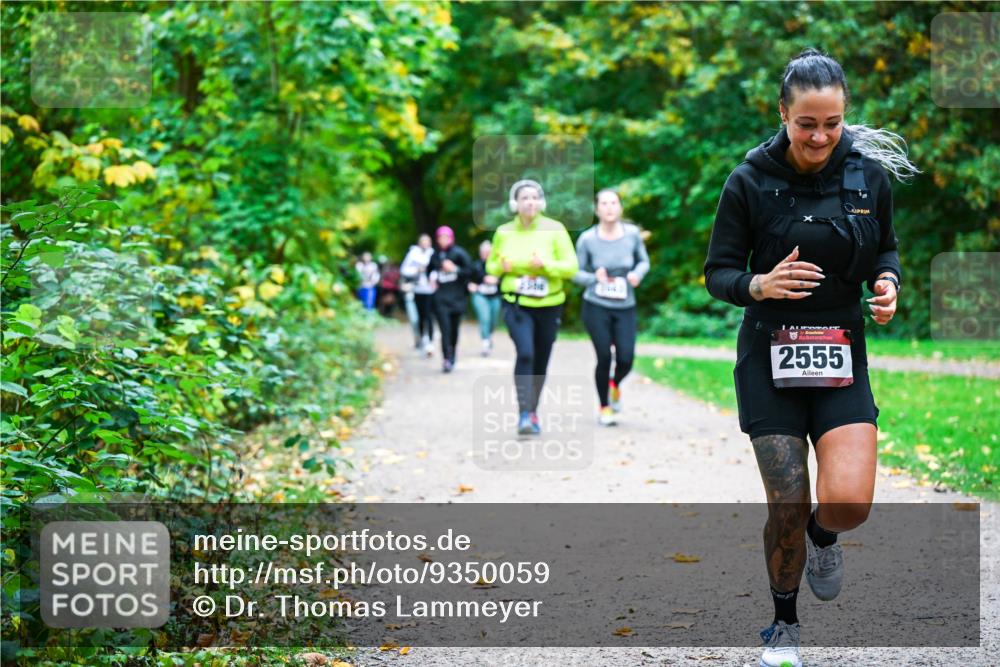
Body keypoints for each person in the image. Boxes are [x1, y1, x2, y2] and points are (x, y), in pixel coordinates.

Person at [703, 48, 914, 667]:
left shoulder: (867, 175)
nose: (820, 136)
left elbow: (888, 250)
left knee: (848, 503)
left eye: (832, 123)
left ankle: (826, 537)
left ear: (845, 115)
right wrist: (757, 285)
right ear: (783, 115)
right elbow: (717, 272)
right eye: (806, 123)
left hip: (841, 350)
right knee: (788, 501)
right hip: (770, 354)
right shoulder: (748, 181)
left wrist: (888, 286)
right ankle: (784, 627)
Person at [485, 179, 578, 436]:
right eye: (525, 198)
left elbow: (571, 267)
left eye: (535, 197)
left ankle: (533, 410)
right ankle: (524, 412)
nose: (530, 202)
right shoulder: (504, 232)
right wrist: (501, 268)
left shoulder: (555, 229)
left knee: (541, 358)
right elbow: (490, 266)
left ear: (541, 202)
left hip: (550, 304)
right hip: (517, 303)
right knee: (525, 353)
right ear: (515, 203)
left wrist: (545, 265)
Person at [574, 189, 649, 426]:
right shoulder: (587, 239)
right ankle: (604, 406)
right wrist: (593, 277)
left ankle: (614, 384)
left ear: (620, 208)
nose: (609, 207)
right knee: (604, 355)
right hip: (596, 304)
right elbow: (575, 272)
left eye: (613, 203)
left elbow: (643, 261)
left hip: (625, 304)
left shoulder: (632, 235)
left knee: (626, 357)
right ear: (597, 209)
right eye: (604, 203)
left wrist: (636, 275)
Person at [427, 226, 473, 373]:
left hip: (458, 299)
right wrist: (432, 278)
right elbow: (429, 272)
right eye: (441, 238)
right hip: (441, 299)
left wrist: (455, 269)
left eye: (446, 237)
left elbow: (470, 272)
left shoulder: (459, 254)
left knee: (454, 331)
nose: (443, 240)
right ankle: (446, 359)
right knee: (444, 330)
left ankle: (452, 355)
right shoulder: (435, 256)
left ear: (451, 238)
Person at [400, 234, 436, 355]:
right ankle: (420, 339)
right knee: (419, 317)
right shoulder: (413, 254)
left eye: (428, 241)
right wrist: (417, 271)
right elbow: (404, 269)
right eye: (423, 241)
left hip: (430, 290)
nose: (425, 244)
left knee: (429, 316)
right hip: (416, 290)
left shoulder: (433, 254)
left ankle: (430, 341)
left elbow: (436, 269)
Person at [469, 240, 502, 356]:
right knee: (484, 317)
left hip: (494, 296)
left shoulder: (498, 266)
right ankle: (485, 342)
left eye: (488, 252)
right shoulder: (475, 266)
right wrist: (470, 285)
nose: (486, 254)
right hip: (480, 295)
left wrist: (497, 281)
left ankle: (489, 336)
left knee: (493, 320)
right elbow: (467, 279)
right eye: (484, 252)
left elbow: (505, 280)